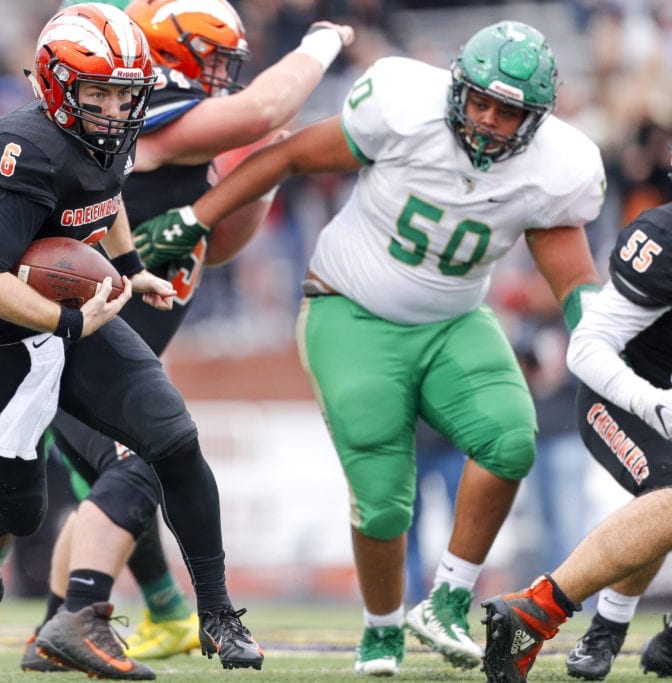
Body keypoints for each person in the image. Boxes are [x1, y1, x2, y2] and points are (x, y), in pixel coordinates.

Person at [132, 20, 606, 676]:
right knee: (383, 495)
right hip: (351, 308)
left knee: (511, 438)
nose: (491, 120)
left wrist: (601, 336)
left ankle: (445, 598)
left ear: (537, 119)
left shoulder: (559, 168)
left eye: (510, 111)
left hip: (454, 319)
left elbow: (576, 278)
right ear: (457, 89)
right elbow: (291, 155)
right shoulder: (403, 106)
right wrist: (194, 218)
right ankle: (381, 630)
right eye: (481, 102)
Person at [16, 0, 354, 675]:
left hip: (95, 350)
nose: (223, 73)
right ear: (172, 55)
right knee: (140, 463)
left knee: (135, 472)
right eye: (213, 57)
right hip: (62, 342)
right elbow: (262, 108)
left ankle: (57, 626)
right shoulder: (144, 109)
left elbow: (219, 246)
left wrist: (253, 176)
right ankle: (80, 615)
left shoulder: (180, 134)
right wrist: (325, 39)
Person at [0, 3, 260, 679]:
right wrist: (67, 322)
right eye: (99, 94)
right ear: (56, 86)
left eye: (125, 94)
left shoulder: (110, 133)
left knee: (172, 438)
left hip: (69, 325)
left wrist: (133, 269)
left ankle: (220, 613)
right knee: (19, 512)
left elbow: (104, 198)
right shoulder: (24, 153)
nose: (114, 109)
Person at [481, 198, 672, 682]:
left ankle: (608, 626)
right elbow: (586, 346)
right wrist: (651, 402)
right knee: (670, 495)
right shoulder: (664, 237)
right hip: (622, 396)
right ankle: (534, 610)